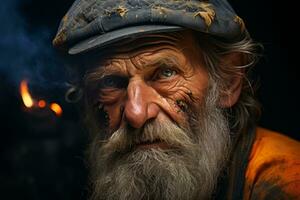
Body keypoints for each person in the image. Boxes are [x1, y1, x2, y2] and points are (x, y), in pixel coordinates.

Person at [53, 0, 300, 199]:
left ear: (228, 82)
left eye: (165, 73)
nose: (136, 113)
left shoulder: (287, 180)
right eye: (110, 82)